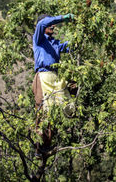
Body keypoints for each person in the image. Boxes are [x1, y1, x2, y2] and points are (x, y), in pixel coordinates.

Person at [32, 13, 74, 156]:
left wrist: (82, 36)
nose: (53, 26)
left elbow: (69, 47)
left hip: (55, 76)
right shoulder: (39, 39)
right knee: (44, 113)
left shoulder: (55, 43)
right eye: (51, 24)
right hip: (43, 76)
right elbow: (41, 24)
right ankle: (42, 147)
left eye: (54, 24)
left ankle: (54, 139)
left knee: (67, 107)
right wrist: (64, 18)